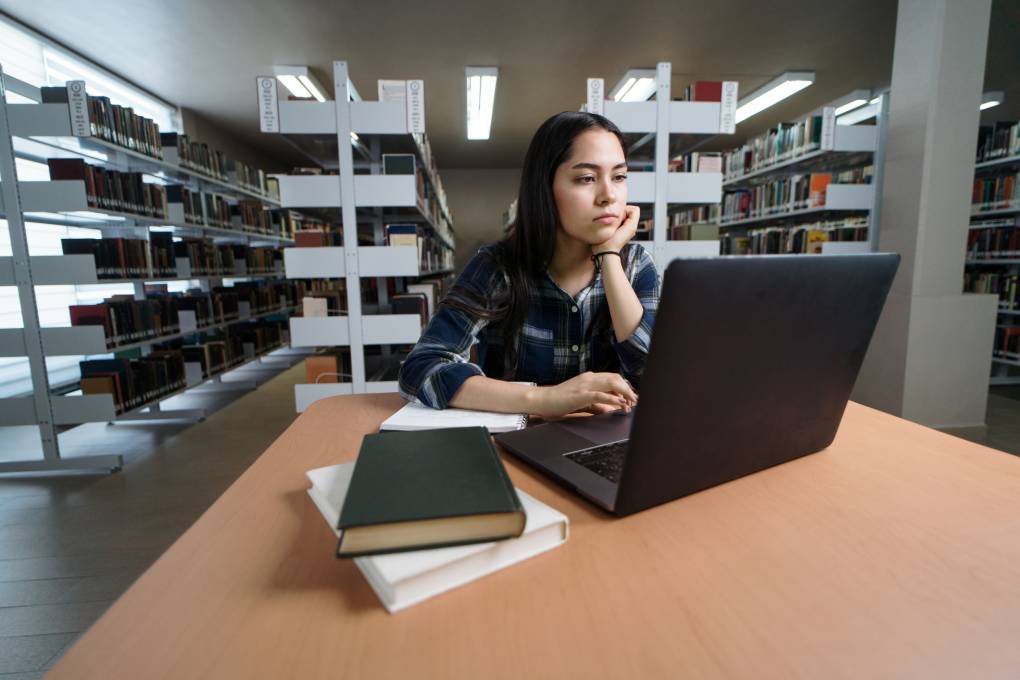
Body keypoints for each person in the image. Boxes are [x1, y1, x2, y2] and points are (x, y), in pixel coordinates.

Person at [397, 111, 661, 418]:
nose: (609, 195)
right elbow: (421, 367)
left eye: (619, 176)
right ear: (544, 189)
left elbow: (655, 376)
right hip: (517, 443)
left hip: (610, 448)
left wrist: (609, 256)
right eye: (586, 178)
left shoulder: (637, 264)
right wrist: (544, 399)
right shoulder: (498, 266)